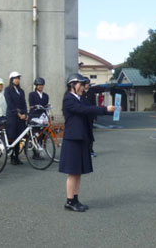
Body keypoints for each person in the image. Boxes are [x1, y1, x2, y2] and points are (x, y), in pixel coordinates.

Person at [60, 73, 116, 212]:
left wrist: (110, 111)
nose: (83, 87)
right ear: (72, 85)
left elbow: (90, 108)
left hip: (81, 137)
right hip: (72, 138)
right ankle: (69, 201)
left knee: (78, 171)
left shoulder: (80, 98)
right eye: (80, 84)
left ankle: (76, 199)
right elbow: (84, 110)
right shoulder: (68, 99)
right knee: (73, 172)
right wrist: (104, 109)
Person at [4, 71, 27, 165]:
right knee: (12, 137)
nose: (17, 80)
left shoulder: (21, 91)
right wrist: (17, 113)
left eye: (18, 78)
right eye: (15, 78)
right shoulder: (7, 90)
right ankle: (12, 156)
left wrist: (25, 114)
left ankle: (17, 156)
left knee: (19, 137)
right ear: (11, 80)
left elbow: (24, 103)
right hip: (12, 116)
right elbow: (10, 103)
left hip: (20, 117)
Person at [81, 77, 97, 157]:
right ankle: (83, 151)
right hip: (82, 116)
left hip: (90, 116)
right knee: (82, 133)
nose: (87, 85)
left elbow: (94, 105)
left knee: (90, 133)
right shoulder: (80, 93)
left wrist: (95, 116)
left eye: (88, 84)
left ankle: (91, 150)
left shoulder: (92, 93)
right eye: (85, 84)